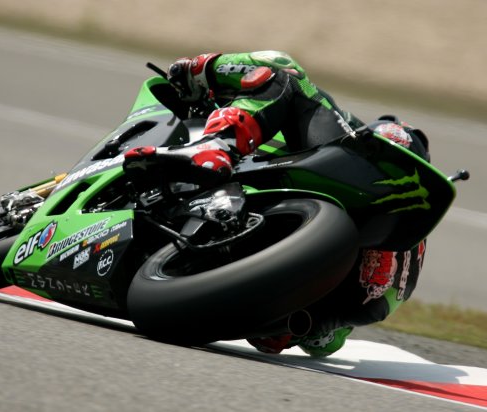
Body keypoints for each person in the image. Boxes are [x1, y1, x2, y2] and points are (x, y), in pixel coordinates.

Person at [123, 51, 430, 357]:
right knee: (287, 336)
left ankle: (218, 145)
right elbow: (325, 346)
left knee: (286, 76)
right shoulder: (401, 268)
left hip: (334, 280)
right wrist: (301, 327)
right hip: (336, 304)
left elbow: (282, 69)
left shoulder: (355, 138)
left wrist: (197, 70)